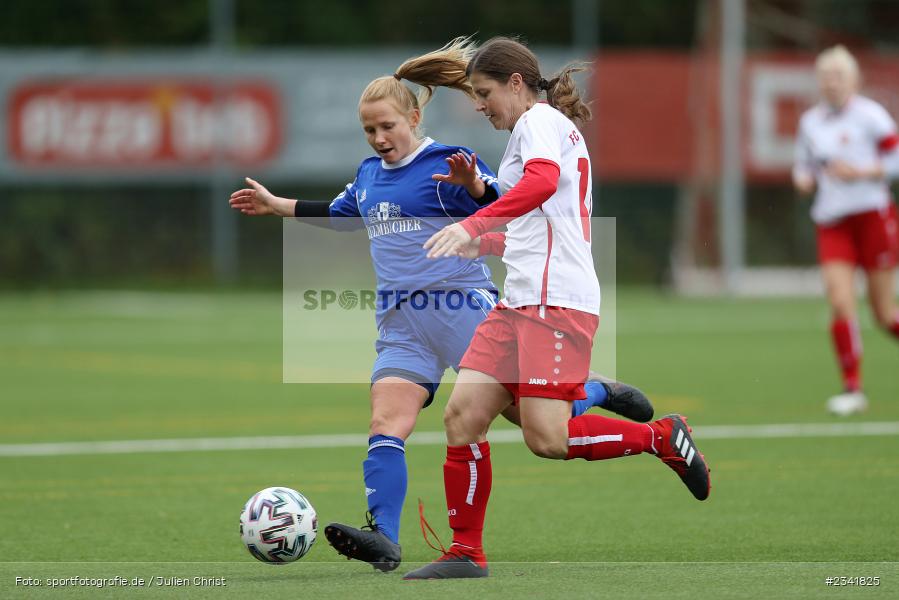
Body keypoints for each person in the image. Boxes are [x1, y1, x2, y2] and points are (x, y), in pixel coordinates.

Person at [228, 38, 652, 573]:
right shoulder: (367, 176)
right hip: (401, 323)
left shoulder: (444, 164)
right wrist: (277, 205)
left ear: (413, 116)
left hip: (462, 309)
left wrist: (473, 186)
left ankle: (592, 388)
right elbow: (339, 214)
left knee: (534, 423)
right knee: (387, 423)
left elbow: (507, 202)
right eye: (369, 130)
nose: (380, 138)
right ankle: (383, 536)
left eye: (388, 126)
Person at [402, 37, 711, 581]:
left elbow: (543, 186)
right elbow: (538, 222)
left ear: (516, 84)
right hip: (519, 299)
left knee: (547, 439)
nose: (480, 104)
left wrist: (474, 223)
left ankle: (660, 437)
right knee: (463, 416)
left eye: (485, 92)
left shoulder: (537, 124)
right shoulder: (536, 129)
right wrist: (485, 228)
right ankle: (466, 553)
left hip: (555, 302)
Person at [792, 45, 899, 416]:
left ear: (852, 80)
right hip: (834, 222)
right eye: (826, 77)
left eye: (839, 76)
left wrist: (863, 172)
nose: (832, 83)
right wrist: (803, 179)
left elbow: (895, 161)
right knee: (840, 302)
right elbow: (803, 166)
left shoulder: (872, 116)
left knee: (885, 314)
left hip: (872, 217)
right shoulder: (811, 122)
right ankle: (853, 388)